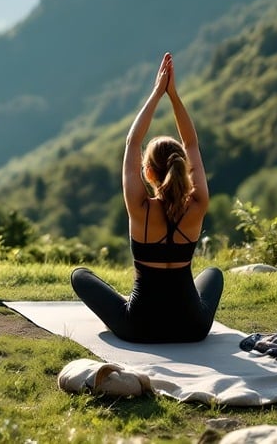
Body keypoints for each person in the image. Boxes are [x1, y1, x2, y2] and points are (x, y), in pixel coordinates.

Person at [70, 53, 223, 343]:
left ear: (148, 172)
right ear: (183, 168)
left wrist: (156, 93)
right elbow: (191, 143)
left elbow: (133, 142)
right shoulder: (197, 204)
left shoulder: (140, 209)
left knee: (80, 275)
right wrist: (174, 96)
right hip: (192, 327)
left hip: (139, 328)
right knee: (214, 273)